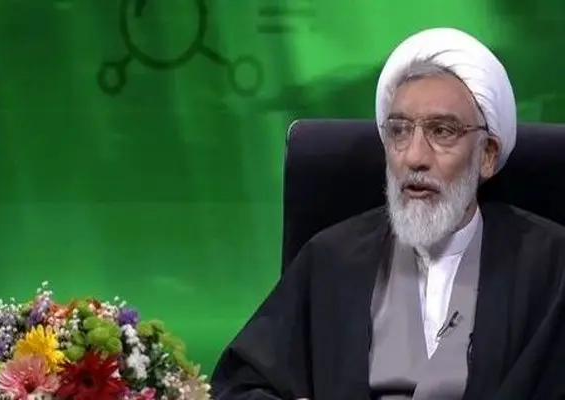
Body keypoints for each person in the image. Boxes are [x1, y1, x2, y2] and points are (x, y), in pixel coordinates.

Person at [210, 27, 565, 400]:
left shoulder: (551, 267)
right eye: (398, 132)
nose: (414, 157)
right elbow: (240, 387)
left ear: (487, 155)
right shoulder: (331, 259)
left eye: (442, 131)